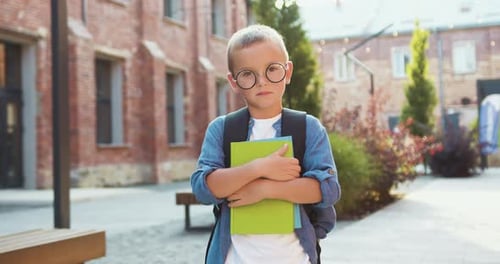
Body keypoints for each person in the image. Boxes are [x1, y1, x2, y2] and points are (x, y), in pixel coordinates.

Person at [191, 24, 340, 264]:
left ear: (287, 71)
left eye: (272, 69)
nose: (262, 81)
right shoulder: (222, 129)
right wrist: (259, 168)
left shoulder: (307, 128)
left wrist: (264, 190)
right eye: (248, 74)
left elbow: (328, 189)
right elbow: (203, 188)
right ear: (233, 81)